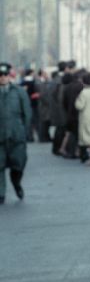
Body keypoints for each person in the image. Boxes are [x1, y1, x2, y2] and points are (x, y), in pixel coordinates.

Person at [0, 62, 31, 203]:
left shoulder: (19, 92)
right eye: (0, 75)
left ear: (9, 75)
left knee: (18, 165)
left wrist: (24, 132)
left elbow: (27, 114)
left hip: (17, 136)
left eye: (5, 74)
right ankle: (1, 193)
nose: (2, 78)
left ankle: (16, 183)